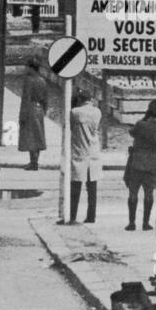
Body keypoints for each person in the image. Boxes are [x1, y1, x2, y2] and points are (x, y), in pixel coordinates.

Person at [124, 99, 156, 231]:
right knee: (149, 193)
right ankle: (146, 223)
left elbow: (132, 132)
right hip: (152, 162)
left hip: (137, 161)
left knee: (133, 193)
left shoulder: (141, 124)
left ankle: (132, 222)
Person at [67, 90, 102, 224]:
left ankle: (72, 215)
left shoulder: (75, 112)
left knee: (75, 187)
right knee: (92, 188)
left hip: (79, 151)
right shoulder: (97, 112)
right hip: (93, 151)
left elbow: (71, 127)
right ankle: (91, 216)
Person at [18, 55, 47, 171]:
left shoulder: (29, 80)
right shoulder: (42, 80)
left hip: (30, 109)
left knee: (31, 137)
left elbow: (26, 98)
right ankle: (35, 161)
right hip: (39, 109)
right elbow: (46, 98)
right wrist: (44, 110)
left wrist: (22, 115)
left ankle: (33, 162)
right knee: (38, 136)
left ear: (31, 68)